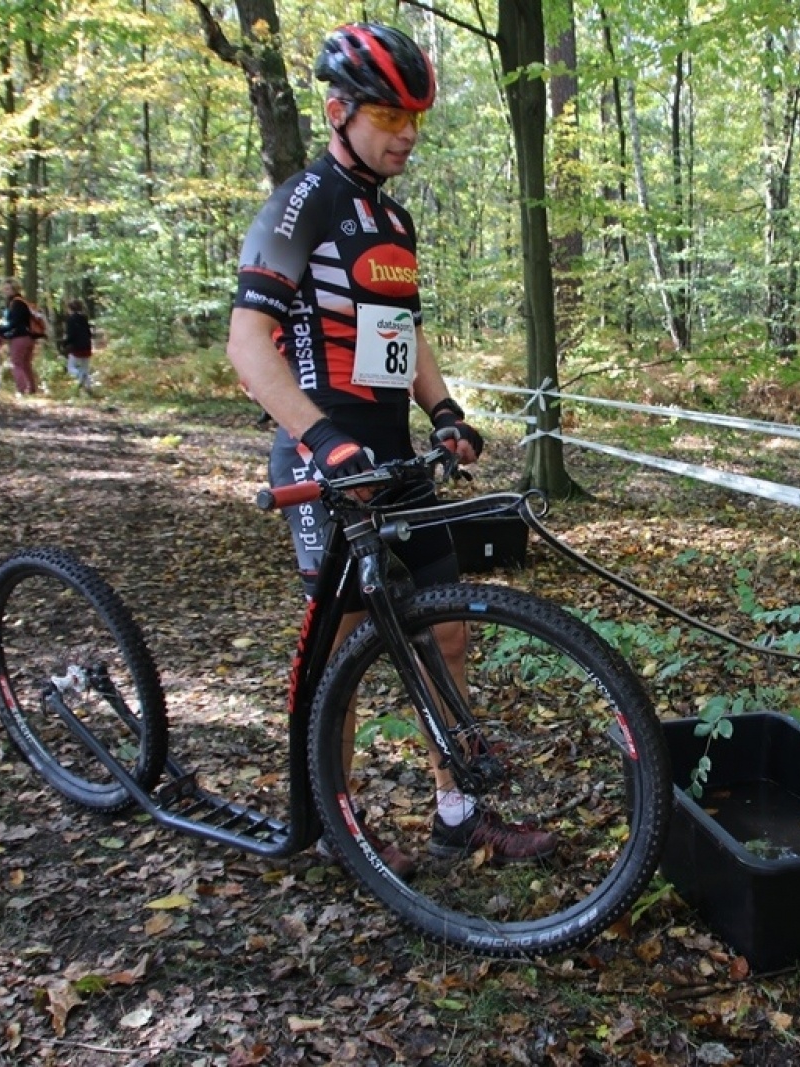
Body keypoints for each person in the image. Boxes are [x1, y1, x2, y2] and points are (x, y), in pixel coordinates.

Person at [227, 23, 556, 874]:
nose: (406, 131)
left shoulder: (393, 217)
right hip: (321, 461)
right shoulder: (301, 204)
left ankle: (457, 813)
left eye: (416, 116)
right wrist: (323, 439)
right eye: (388, 114)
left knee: (447, 632)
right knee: (337, 658)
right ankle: (335, 826)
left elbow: (398, 334)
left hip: (394, 462)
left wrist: (442, 409)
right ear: (338, 112)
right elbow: (248, 347)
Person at [0, 279, 39, 395]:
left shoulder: (16, 303)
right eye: (4, 289)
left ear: (14, 290)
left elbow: (14, 323)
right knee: (25, 364)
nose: (5, 291)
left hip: (20, 338)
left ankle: (21, 390)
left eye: (7, 289)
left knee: (16, 363)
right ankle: (31, 389)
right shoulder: (23, 302)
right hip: (29, 337)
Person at [63, 299, 94, 395]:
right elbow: (89, 333)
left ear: (70, 309)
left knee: (71, 367)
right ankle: (88, 388)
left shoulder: (70, 319)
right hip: (87, 346)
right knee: (85, 367)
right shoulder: (84, 318)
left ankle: (81, 376)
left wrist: (65, 343)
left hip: (76, 347)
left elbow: (71, 335)